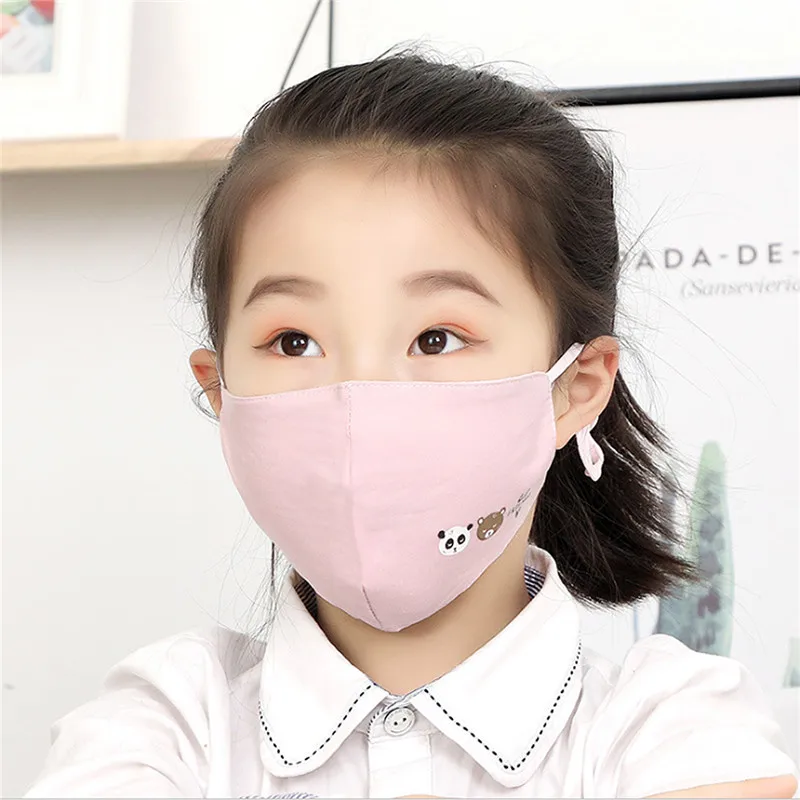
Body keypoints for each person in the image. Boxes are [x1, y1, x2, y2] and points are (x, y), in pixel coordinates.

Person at [25, 54, 798, 799]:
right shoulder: (167, 721)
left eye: (436, 338)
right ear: (220, 390)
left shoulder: (673, 725)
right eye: (293, 342)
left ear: (575, 389)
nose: (359, 399)